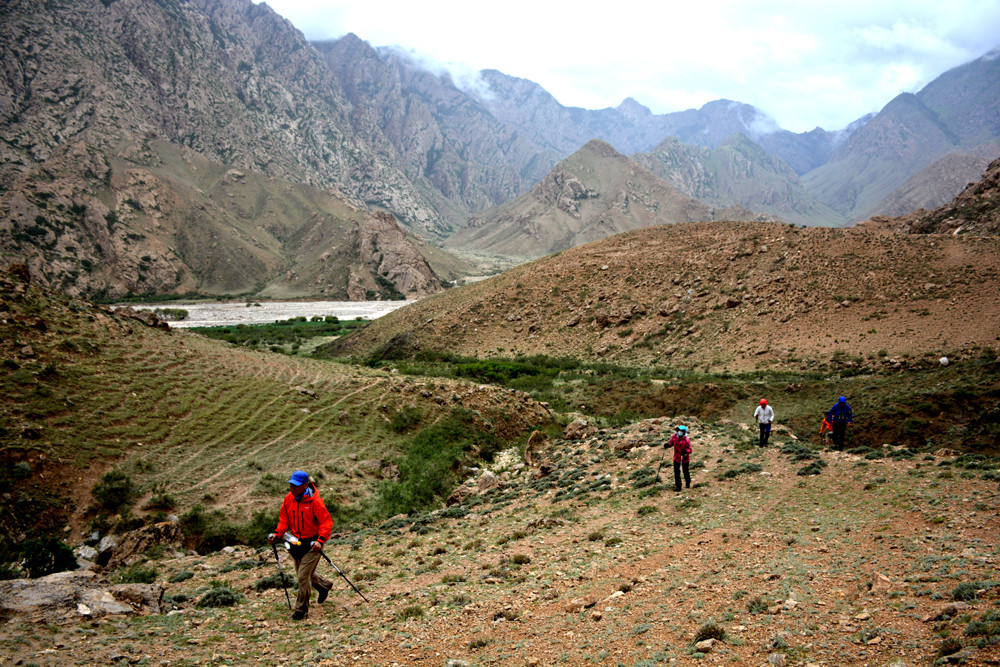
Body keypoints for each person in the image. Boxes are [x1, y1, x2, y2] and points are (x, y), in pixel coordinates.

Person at [269, 470, 334, 620]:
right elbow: (284, 521)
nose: (292, 488)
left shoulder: (315, 502)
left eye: (296, 486)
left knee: (302, 577)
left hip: (313, 544)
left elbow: (326, 522)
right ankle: (324, 585)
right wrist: (277, 534)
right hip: (295, 543)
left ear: (305, 485)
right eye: (291, 485)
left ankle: (301, 610)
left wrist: (321, 540)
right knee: (306, 574)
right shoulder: (288, 499)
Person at [667, 425, 693, 492]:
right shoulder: (674, 436)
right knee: (677, 472)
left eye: (681, 431)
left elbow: (690, 450)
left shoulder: (686, 440)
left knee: (685, 471)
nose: (679, 432)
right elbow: (671, 443)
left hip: (684, 459)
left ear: (684, 432)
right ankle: (678, 486)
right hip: (676, 458)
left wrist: (685, 451)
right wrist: (668, 445)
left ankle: (687, 483)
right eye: (679, 430)